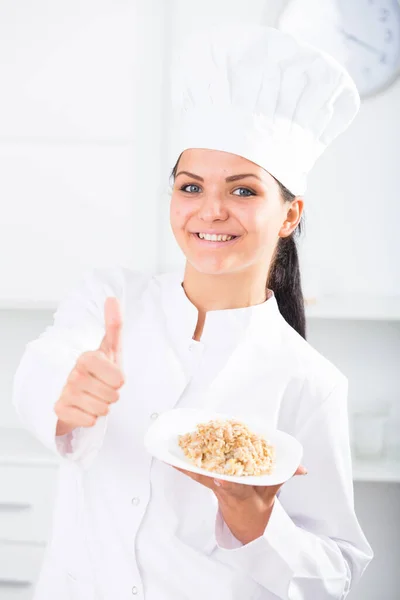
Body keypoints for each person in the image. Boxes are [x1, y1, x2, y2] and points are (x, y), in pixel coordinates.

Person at [12, 24, 373, 600]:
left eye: (243, 191)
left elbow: (336, 571)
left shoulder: (310, 381)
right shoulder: (112, 298)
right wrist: (65, 391)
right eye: (189, 187)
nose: (210, 211)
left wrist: (258, 525)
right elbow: (45, 366)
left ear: (289, 213)